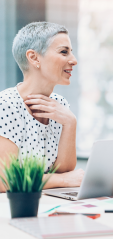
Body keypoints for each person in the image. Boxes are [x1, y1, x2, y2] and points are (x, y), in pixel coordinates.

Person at [0, 22, 84, 192]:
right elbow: (5, 180)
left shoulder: (61, 105)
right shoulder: (6, 105)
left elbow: (65, 171)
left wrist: (70, 122)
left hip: (48, 202)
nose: (73, 60)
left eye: (71, 52)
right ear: (34, 58)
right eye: (63, 52)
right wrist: (62, 180)